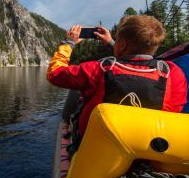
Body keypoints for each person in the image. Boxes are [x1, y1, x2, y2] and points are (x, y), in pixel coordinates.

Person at [47, 15, 188, 136]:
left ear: (122, 44)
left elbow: (54, 74)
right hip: (149, 151)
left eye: (117, 39)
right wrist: (112, 43)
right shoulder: (173, 73)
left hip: (95, 145)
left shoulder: (98, 69)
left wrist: (69, 43)